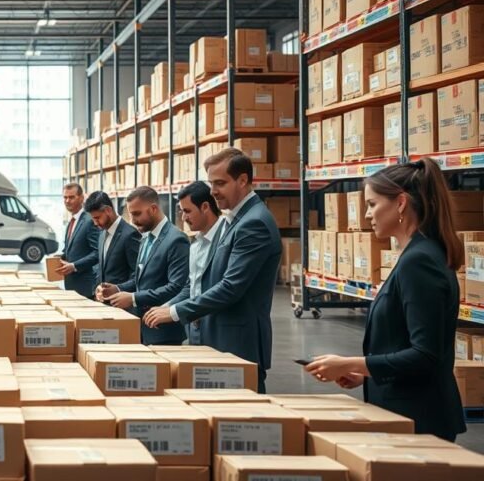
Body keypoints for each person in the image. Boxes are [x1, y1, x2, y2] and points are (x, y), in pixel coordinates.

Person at [305, 159, 466, 440]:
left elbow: (424, 355)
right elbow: (402, 343)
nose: (367, 214)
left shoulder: (419, 262)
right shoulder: (417, 254)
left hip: (418, 418)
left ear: (401, 203)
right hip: (408, 410)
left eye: (372, 204)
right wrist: (365, 373)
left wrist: (350, 364)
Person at [144, 148, 280, 393]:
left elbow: (231, 287)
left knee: (242, 411)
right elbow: (207, 280)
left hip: (237, 342)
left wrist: (175, 312)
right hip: (217, 337)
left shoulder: (254, 223)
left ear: (243, 180)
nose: (213, 190)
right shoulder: (235, 220)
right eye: (211, 183)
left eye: (220, 183)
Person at [98, 186, 189, 345]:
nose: (133, 221)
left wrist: (133, 298)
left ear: (153, 209)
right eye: (131, 214)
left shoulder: (176, 239)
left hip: (164, 331)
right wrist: (117, 289)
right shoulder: (146, 238)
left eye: (137, 214)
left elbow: (176, 287)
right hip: (142, 328)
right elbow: (141, 280)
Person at [164, 181, 224, 345]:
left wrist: (175, 312)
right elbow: (191, 287)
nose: (183, 218)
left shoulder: (226, 239)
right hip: (195, 329)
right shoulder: (195, 244)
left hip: (219, 329)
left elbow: (224, 289)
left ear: (205, 207)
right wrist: (167, 307)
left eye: (187, 211)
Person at [53, 182, 100, 298]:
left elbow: (98, 252)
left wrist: (74, 266)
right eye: (65, 197)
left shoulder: (90, 221)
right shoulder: (72, 221)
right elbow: (72, 249)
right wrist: (61, 257)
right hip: (71, 283)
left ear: (81, 198)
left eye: (71, 197)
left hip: (85, 284)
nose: (67, 201)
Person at [85, 191, 141, 287]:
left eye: (97, 218)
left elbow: (138, 275)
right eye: (93, 219)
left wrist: (118, 289)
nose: (95, 223)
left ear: (108, 210)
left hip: (121, 295)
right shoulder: (102, 234)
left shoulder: (130, 234)